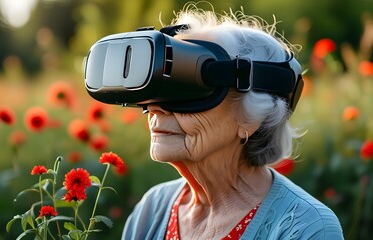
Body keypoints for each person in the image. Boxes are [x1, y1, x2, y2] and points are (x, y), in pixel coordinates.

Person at [113, 7, 344, 240]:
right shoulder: (153, 208)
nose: (155, 107)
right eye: (161, 88)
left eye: (187, 90)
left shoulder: (306, 228)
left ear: (250, 118)